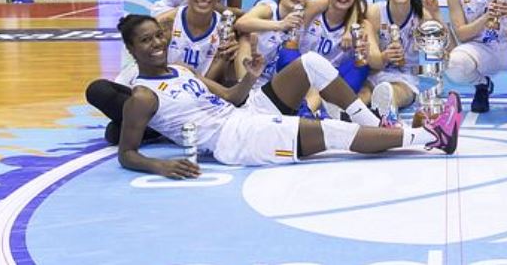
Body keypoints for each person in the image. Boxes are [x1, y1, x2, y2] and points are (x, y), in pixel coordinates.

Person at [112, 14, 461, 177]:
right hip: (234, 138)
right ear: (131, 48)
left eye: (159, 36)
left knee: (310, 62)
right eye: (146, 40)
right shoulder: (141, 96)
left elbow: (233, 97)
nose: (157, 44)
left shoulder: (182, 70)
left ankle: (373, 122)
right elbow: (127, 153)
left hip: (244, 111)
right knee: (331, 133)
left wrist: (250, 77)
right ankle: (431, 137)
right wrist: (161, 166)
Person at [88, 0, 241, 143]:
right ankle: (158, 126)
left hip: (194, 99)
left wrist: (223, 59)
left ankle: (154, 127)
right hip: (155, 95)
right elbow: (138, 62)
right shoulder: (165, 23)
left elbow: (216, 85)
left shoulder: (226, 29)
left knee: (115, 133)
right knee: (99, 90)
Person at [360, 0, 443, 119]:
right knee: (363, 94)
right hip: (376, 72)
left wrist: (436, 14)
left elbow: (448, 51)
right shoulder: (375, 13)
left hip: (406, 77)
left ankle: (384, 108)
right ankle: (348, 112)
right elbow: (374, 62)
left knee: (393, 92)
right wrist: (384, 56)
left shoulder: (423, 17)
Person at [299, 0, 371, 117]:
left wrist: (365, 51)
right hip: (304, 76)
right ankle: (309, 112)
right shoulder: (312, 12)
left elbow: (375, 61)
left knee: (362, 66)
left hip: (335, 81)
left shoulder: (360, 26)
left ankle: (330, 112)